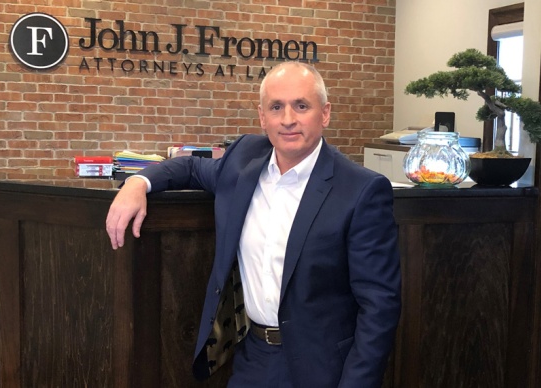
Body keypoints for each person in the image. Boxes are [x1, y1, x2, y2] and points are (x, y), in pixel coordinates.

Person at [106, 62, 401, 388]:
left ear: (325, 113)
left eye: (301, 106)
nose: (288, 119)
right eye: (276, 107)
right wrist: (139, 182)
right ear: (263, 117)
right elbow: (190, 167)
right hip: (254, 358)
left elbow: (379, 307)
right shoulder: (243, 160)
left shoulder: (360, 190)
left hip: (324, 368)